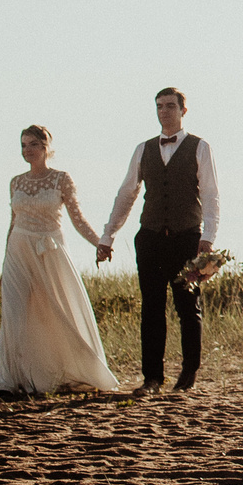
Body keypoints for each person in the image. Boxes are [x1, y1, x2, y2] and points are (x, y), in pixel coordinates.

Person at [98, 86, 220, 394]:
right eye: (159, 106)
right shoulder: (143, 149)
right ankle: (152, 378)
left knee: (188, 307)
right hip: (150, 238)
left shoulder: (199, 147)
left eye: (169, 105)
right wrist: (108, 235)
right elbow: (126, 194)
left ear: (183, 110)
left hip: (187, 239)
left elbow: (210, 194)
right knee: (151, 309)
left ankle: (188, 373)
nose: (163, 111)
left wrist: (208, 238)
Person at [0, 125, 118, 396]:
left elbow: (77, 218)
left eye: (34, 144)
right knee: (14, 315)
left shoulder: (61, 179)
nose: (28, 150)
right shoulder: (16, 182)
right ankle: (9, 382)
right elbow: (12, 222)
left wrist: (100, 242)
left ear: (46, 147)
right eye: (24, 145)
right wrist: (5, 260)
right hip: (18, 249)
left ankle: (56, 373)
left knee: (59, 312)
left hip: (49, 249)